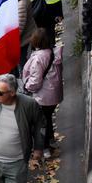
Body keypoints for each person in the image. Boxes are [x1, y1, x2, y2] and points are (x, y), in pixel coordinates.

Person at [21, 28, 63, 158]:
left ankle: (44, 148)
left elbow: (35, 79)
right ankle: (50, 141)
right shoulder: (54, 52)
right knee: (48, 118)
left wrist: (27, 87)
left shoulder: (38, 58)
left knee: (40, 123)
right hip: (54, 94)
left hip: (42, 96)